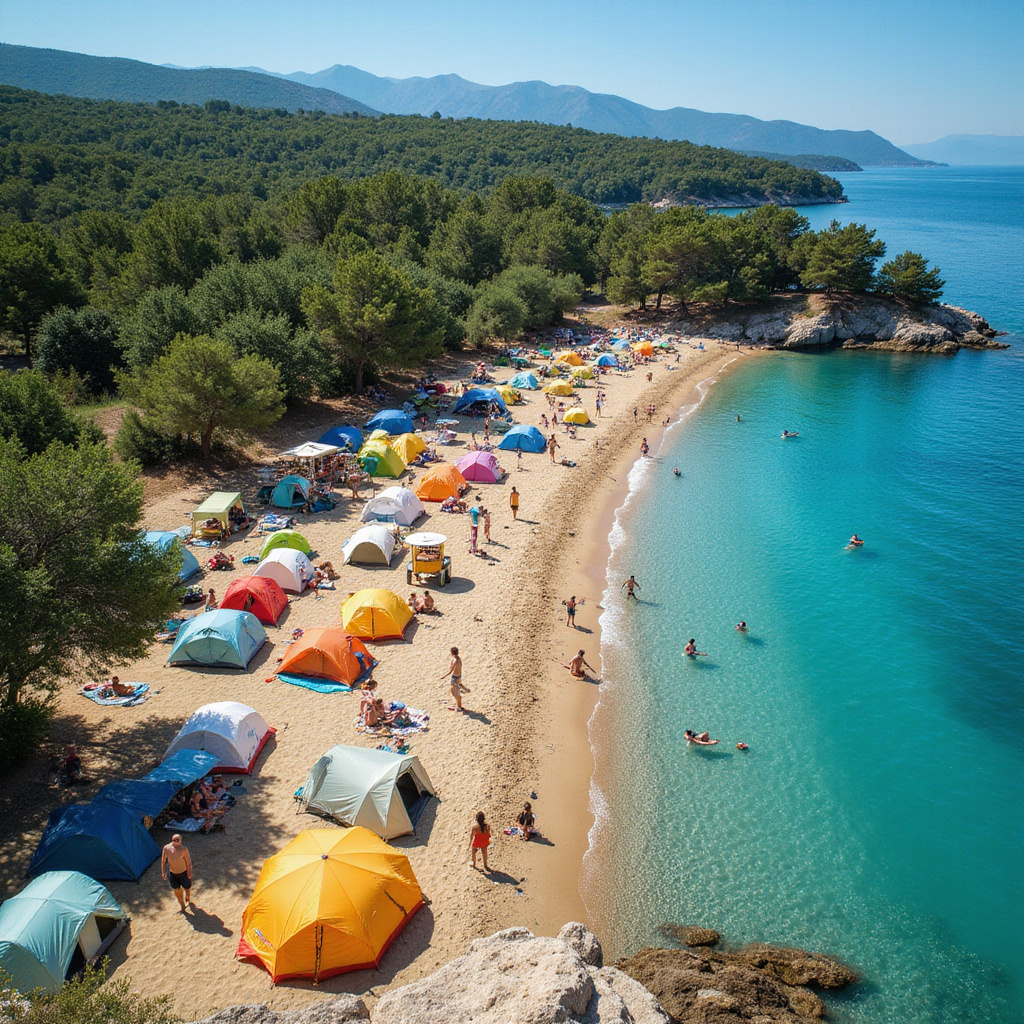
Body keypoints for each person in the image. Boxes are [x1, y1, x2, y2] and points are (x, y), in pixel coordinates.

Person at [161, 834, 193, 912]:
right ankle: (182, 904)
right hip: (173, 874)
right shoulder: (166, 848)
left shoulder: (183, 849)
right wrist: (163, 872)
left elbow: (188, 862)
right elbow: (163, 861)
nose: (175, 842)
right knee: (176, 890)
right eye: (174, 840)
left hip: (183, 873)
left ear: (181, 841)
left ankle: (187, 897)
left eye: (177, 840)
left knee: (187, 888)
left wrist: (189, 873)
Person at [441, 646, 468, 711]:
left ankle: (459, 707)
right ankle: (459, 705)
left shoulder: (455, 660)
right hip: (459, 677)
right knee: (456, 692)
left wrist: (443, 676)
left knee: (455, 693)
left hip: (455, 678)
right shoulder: (458, 659)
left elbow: (450, 671)